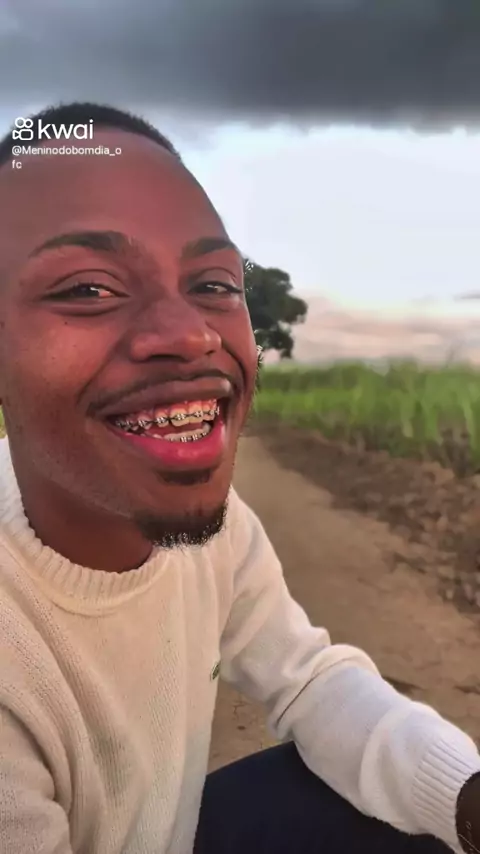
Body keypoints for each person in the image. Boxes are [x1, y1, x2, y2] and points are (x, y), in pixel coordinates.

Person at [0, 103, 478, 854]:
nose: (191, 333)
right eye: (88, 289)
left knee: (409, 808)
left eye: (215, 283)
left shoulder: (219, 535)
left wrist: (466, 798)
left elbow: (309, 680)